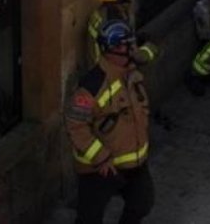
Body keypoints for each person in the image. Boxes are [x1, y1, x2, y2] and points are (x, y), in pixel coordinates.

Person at [66, 19, 154, 224]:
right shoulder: (92, 85)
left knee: (142, 204)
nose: (131, 49)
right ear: (112, 49)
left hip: (135, 162)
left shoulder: (132, 73)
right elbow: (75, 125)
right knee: (89, 218)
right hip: (101, 169)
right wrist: (101, 158)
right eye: (126, 45)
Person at [88, 0, 160, 67]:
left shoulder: (100, 14)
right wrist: (150, 48)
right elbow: (133, 56)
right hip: (114, 74)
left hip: (102, 69)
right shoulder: (115, 22)